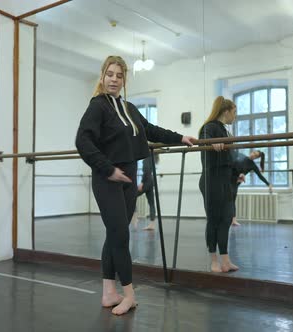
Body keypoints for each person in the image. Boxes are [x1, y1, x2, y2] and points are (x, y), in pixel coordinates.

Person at [75, 55, 197, 315]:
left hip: (129, 175)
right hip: (108, 177)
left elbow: (150, 130)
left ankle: (109, 292)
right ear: (102, 76)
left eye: (119, 76)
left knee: (114, 234)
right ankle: (129, 294)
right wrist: (108, 170)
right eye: (110, 74)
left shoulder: (129, 108)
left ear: (124, 79)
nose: (114, 80)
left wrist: (180, 137)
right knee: (121, 234)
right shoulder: (97, 106)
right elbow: (83, 141)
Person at [198, 96, 238, 273]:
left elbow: (231, 158)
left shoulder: (225, 130)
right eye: (234, 112)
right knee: (214, 219)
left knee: (227, 218)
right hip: (212, 179)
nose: (235, 116)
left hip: (225, 178)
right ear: (226, 111)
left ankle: (225, 259)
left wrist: (239, 173)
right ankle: (213, 259)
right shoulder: (209, 127)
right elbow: (205, 138)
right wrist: (212, 142)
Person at [231, 150, 273, 226]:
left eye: (256, 156)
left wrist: (268, 184)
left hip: (236, 183)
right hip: (230, 178)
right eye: (254, 153)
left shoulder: (252, 165)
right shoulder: (241, 156)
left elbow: (260, 176)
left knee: (232, 200)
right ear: (251, 152)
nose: (253, 155)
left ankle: (233, 220)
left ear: (256, 158)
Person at [132, 154, 158, 231]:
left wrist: (142, 182)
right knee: (151, 203)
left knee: (131, 196)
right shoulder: (153, 158)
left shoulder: (147, 158)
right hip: (151, 181)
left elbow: (146, 170)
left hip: (146, 182)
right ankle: (152, 224)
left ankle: (135, 216)